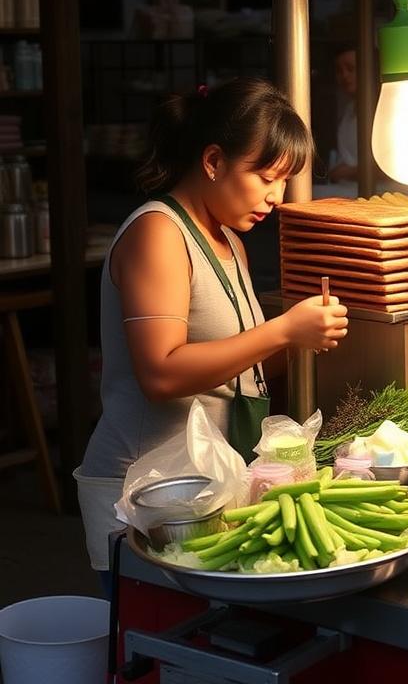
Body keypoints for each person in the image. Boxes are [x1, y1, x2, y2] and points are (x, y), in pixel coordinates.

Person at [75, 78, 350, 593]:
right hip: (144, 494)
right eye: (266, 176)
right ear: (213, 162)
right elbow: (161, 373)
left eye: (285, 180)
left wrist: (300, 342)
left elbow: (235, 371)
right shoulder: (158, 233)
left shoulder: (228, 241)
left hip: (205, 489)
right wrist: (284, 329)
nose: (276, 196)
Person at [326, 42, 358, 182]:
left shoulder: (386, 110)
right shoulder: (349, 109)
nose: (344, 75)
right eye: (339, 70)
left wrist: (348, 172)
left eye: (351, 69)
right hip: (347, 187)